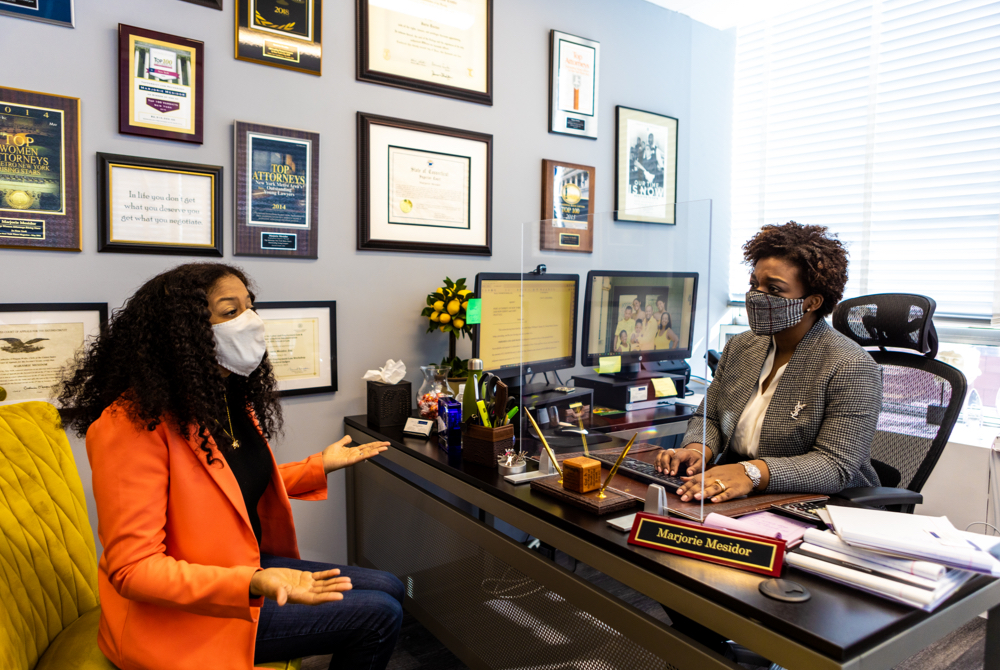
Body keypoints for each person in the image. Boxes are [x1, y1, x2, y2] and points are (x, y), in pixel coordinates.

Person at [58, 263, 404, 670]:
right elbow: (134, 569)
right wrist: (251, 582)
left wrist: (318, 466)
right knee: (379, 613)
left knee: (391, 586)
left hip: (240, 568)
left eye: (250, 307)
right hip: (186, 613)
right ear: (183, 332)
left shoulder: (219, 396)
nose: (251, 322)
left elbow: (224, 488)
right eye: (230, 311)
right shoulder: (130, 425)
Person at [654, 222, 881, 658]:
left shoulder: (849, 365)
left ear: (812, 301)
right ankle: (714, 653)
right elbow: (710, 415)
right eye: (754, 283)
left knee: (709, 577)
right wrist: (697, 448)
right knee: (665, 559)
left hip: (813, 506)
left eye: (773, 289)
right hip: (739, 499)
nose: (756, 296)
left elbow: (837, 465)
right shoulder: (744, 346)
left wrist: (751, 472)